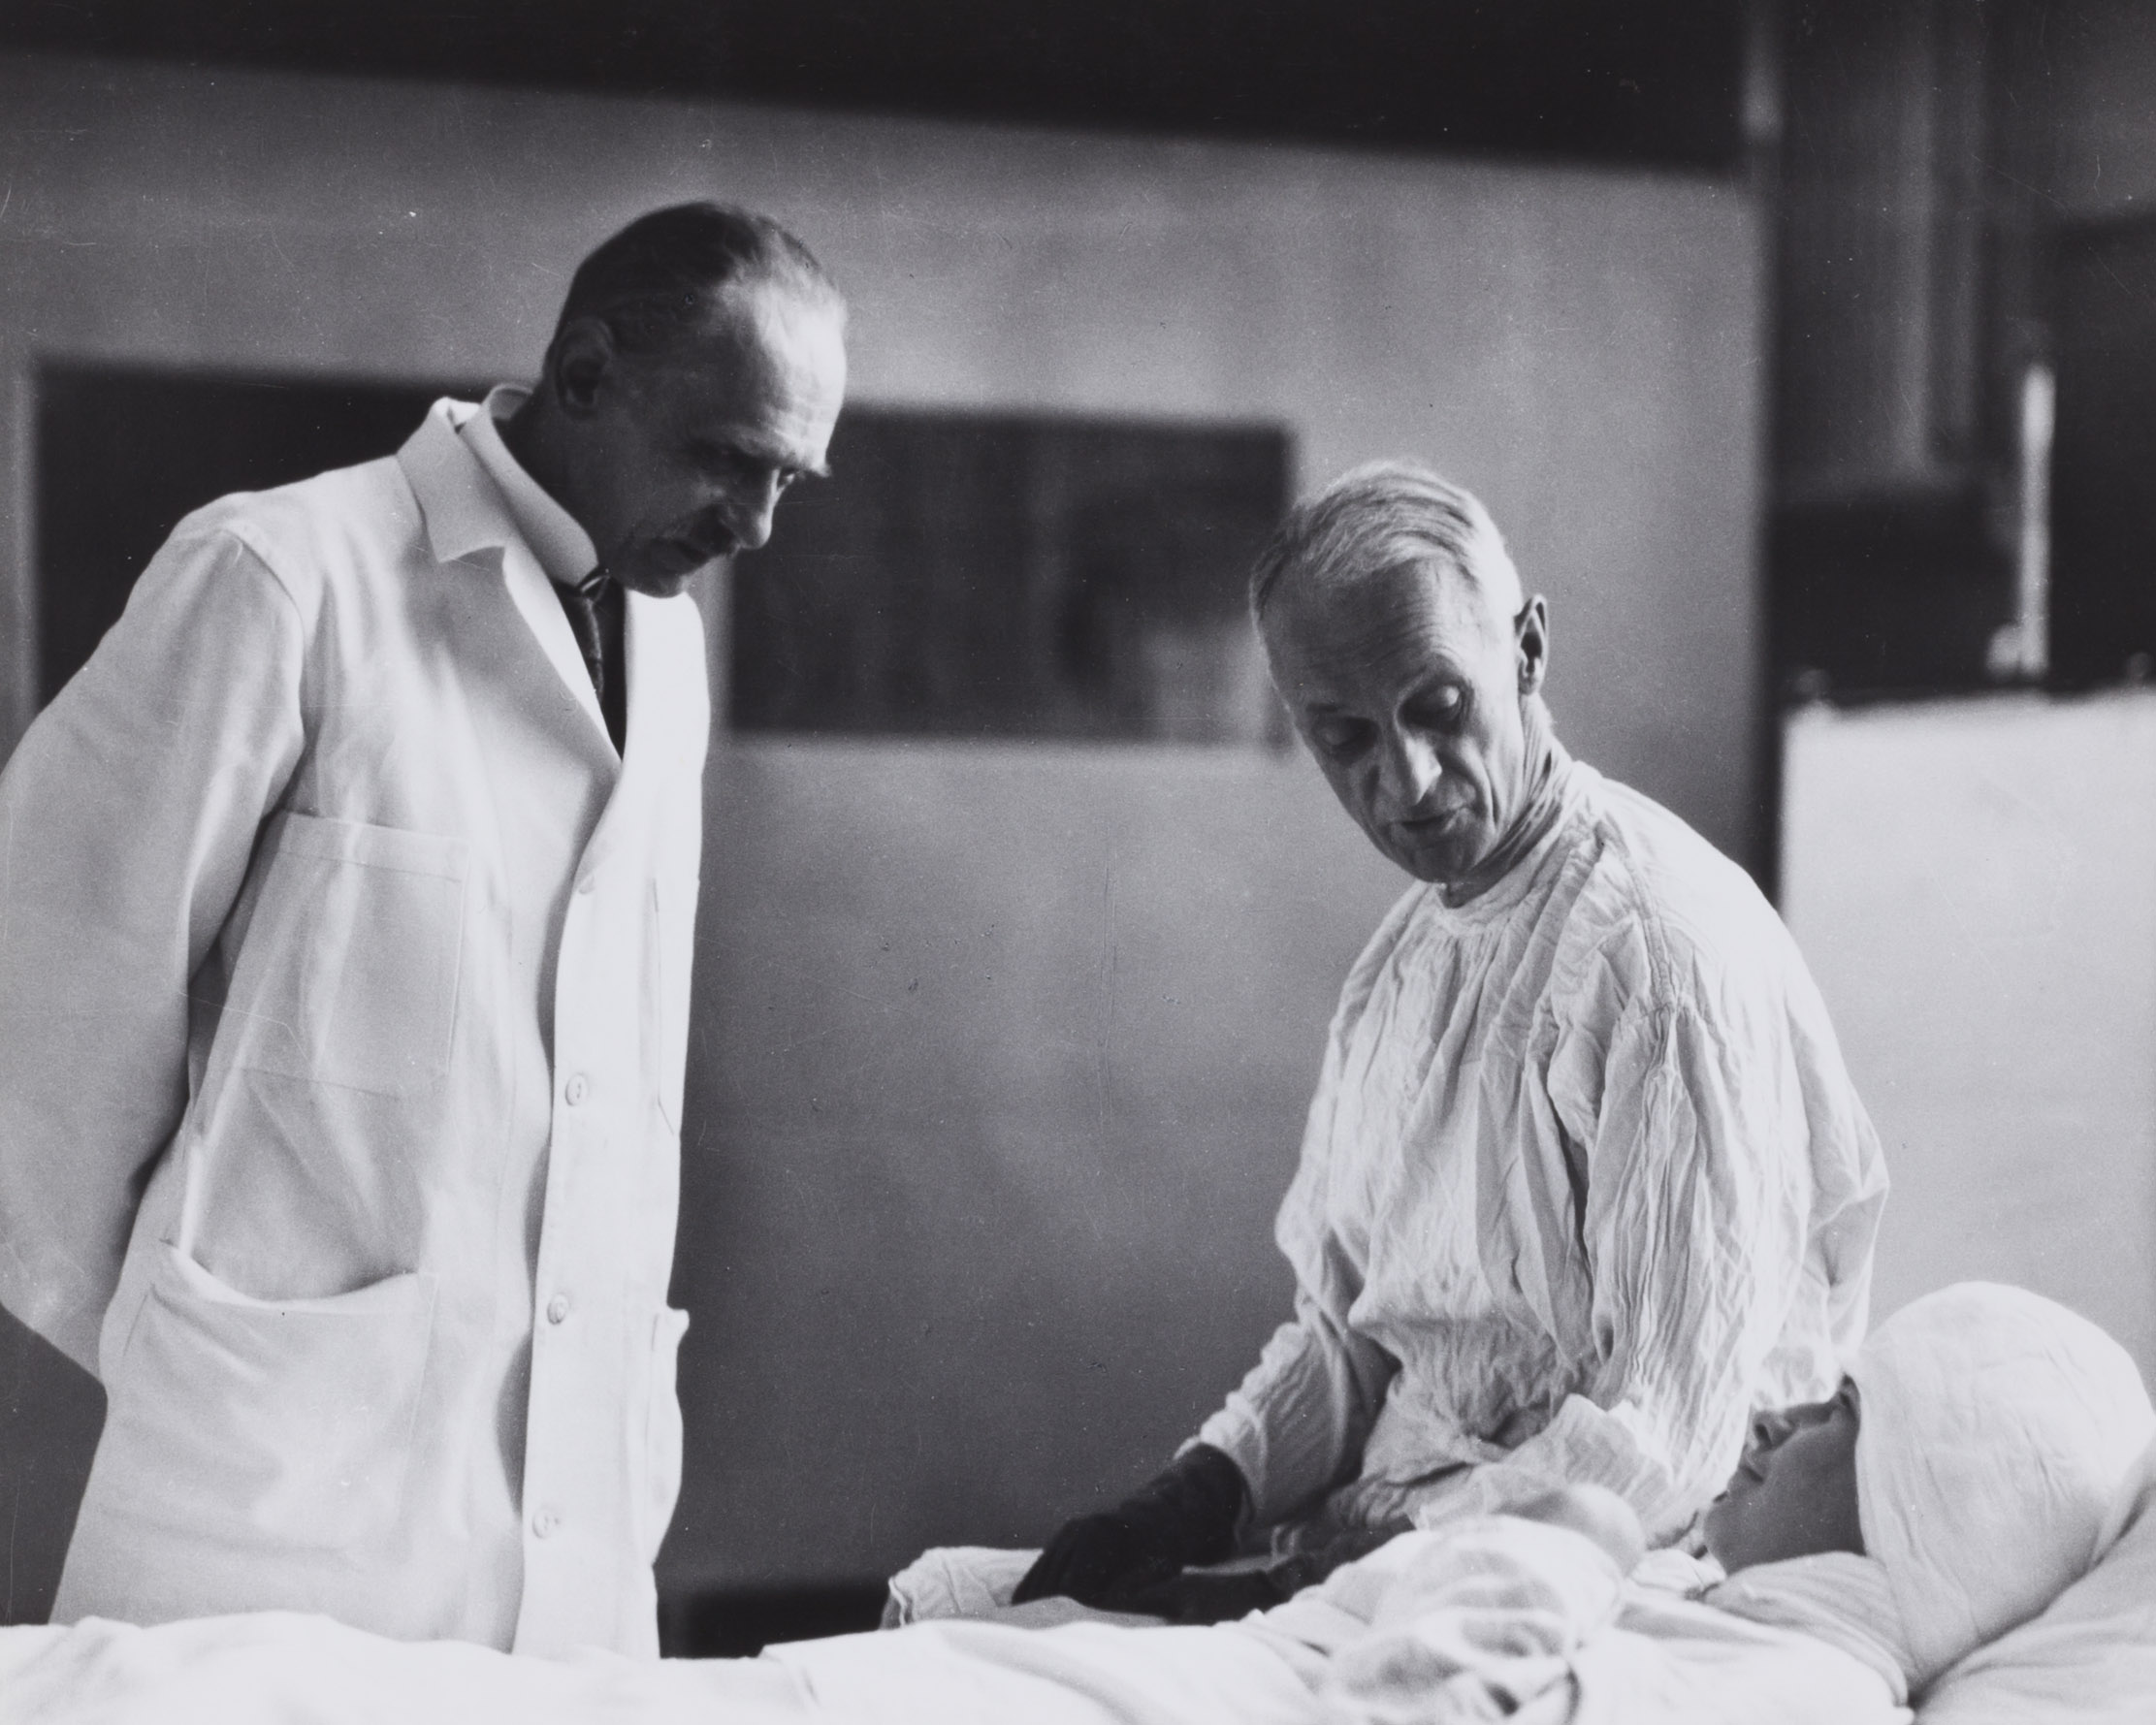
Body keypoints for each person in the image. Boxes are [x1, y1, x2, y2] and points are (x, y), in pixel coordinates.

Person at [0, 202, 849, 1656]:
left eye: (790, 479)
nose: (755, 525)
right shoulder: (282, 574)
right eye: (726, 457)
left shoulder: (668, 645)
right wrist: (205, 1343)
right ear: (582, 372)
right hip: (269, 1493)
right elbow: (38, 1003)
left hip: (569, 1505)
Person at [1015, 461, 1889, 1619]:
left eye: (1438, 709)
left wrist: (1299, 1586)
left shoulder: (1662, 955)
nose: (1406, 781)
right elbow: (1352, 1342)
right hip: (1372, 1558)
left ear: (1526, 651)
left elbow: (1661, 1444)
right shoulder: (1404, 964)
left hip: (1602, 1589)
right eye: (1346, 739)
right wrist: (1198, 1490)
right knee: (970, 1615)